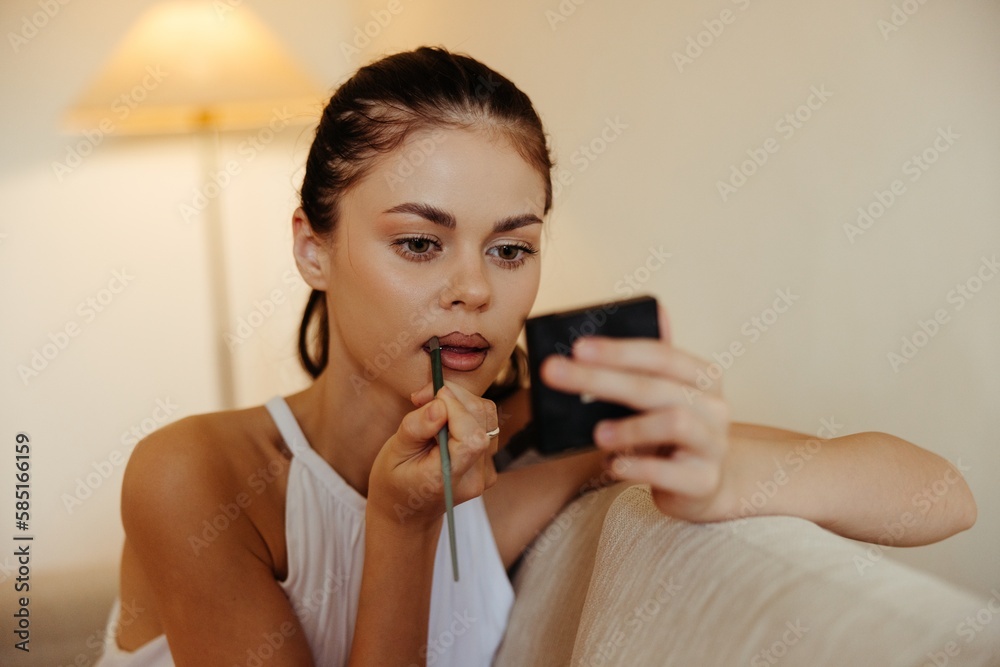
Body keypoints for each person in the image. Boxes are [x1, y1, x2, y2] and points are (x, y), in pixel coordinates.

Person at [95, 46, 976, 667]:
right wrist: (403, 528)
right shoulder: (195, 478)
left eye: (511, 248)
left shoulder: (531, 441)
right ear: (312, 247)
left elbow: (941, 494)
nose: (474, 288)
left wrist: (723, 477)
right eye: (419, 243)